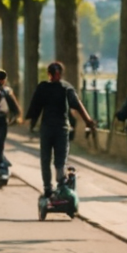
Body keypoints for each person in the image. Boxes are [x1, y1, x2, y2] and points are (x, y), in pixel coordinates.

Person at [23, 60, 98, 194]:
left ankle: (47, 188)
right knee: (60, 160)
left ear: (48, 74)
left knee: (45, 159)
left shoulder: (42, 87)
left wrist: (32, 126)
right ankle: (61, 181)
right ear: (61, 74)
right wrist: (89, 121)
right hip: (62, 129)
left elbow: (35, 108)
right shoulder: (66, 87)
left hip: (47, 129)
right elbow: (78, 105)